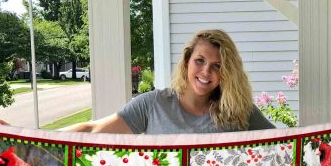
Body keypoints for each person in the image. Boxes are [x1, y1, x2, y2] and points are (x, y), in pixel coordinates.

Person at [64, 29, 275, 135]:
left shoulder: (239, 111)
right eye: (200, 61)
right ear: (186, 61)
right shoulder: (153, 105)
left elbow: (285, 146)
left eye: (217, 66)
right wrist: (35, 142)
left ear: (227, 72)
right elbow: (94, 130)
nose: (206, 71)